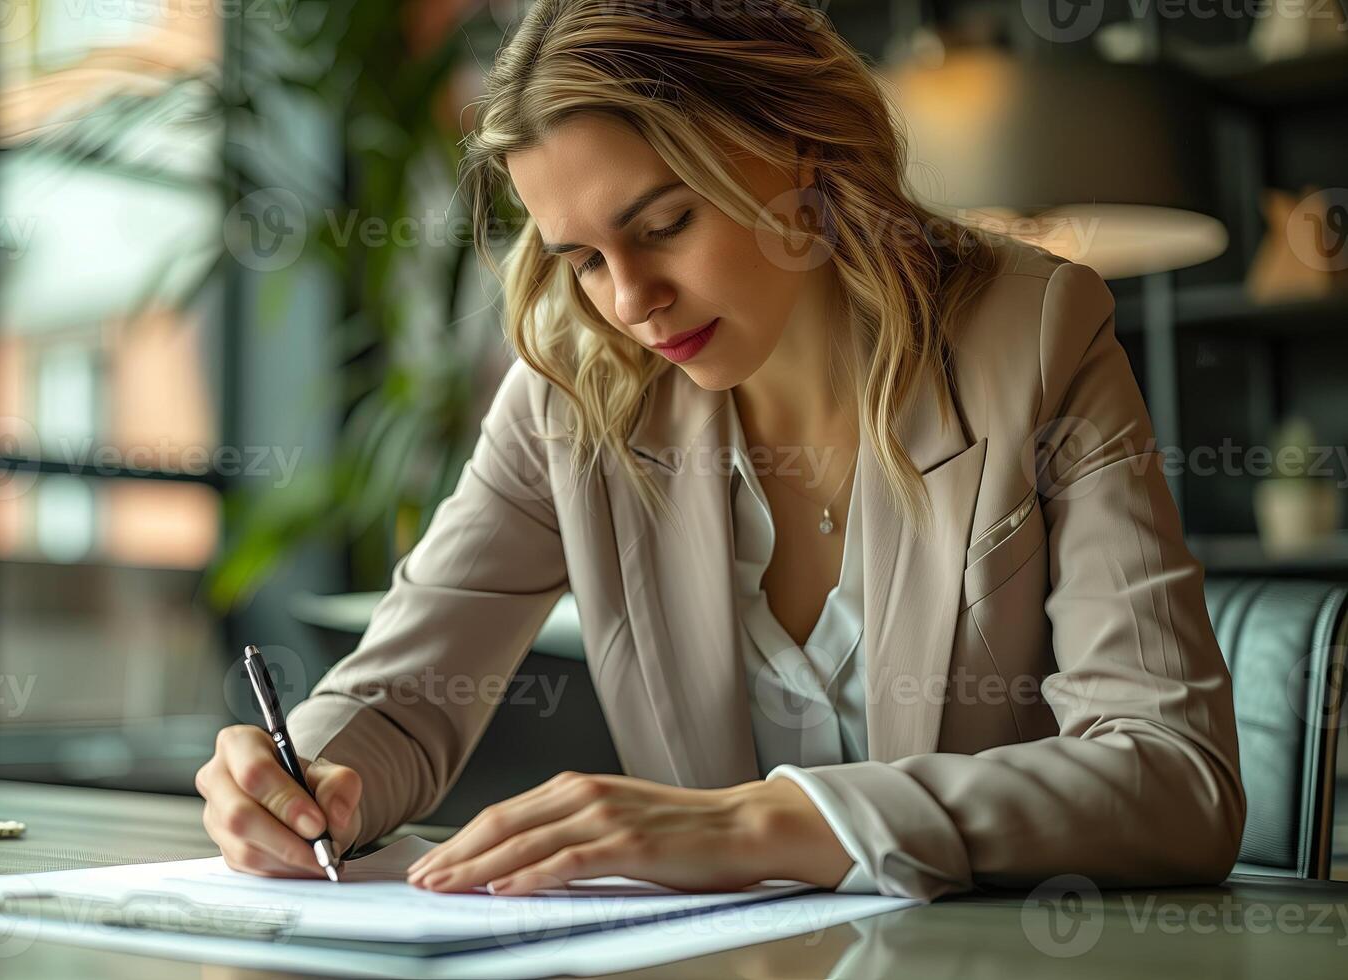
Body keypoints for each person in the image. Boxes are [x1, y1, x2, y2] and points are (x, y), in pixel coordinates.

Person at [195, 0, 1245, 901]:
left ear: (801, 150)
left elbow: (1172, 776)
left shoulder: (1038, 335)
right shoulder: (575, 384)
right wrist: (310, 778)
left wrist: (765, 824)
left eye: (664, 223)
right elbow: (403, 696)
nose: (629, 301)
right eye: (582, 259)